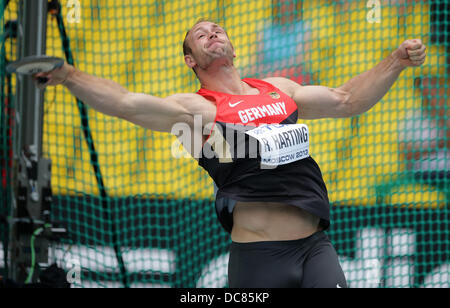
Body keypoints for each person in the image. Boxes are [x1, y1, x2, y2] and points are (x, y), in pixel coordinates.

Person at [34, 20, 427, 288]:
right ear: (191, 60)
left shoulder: (278, 89)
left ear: (232, 46)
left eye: (216, 29)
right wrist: (69, 75)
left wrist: (396, 61)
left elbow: (347, 101)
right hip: (261, 256)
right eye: (199, 35)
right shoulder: (198, 108)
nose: (211, 32)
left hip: (315, 247)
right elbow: (126, 103)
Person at [398, 76, 449, 196]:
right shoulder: (413, 119)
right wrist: (437, 145)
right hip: (425, 174)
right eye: (426, 91)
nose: (431, 96)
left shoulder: (446, 117)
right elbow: (407, 155)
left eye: (434, 90)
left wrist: (441, 115)